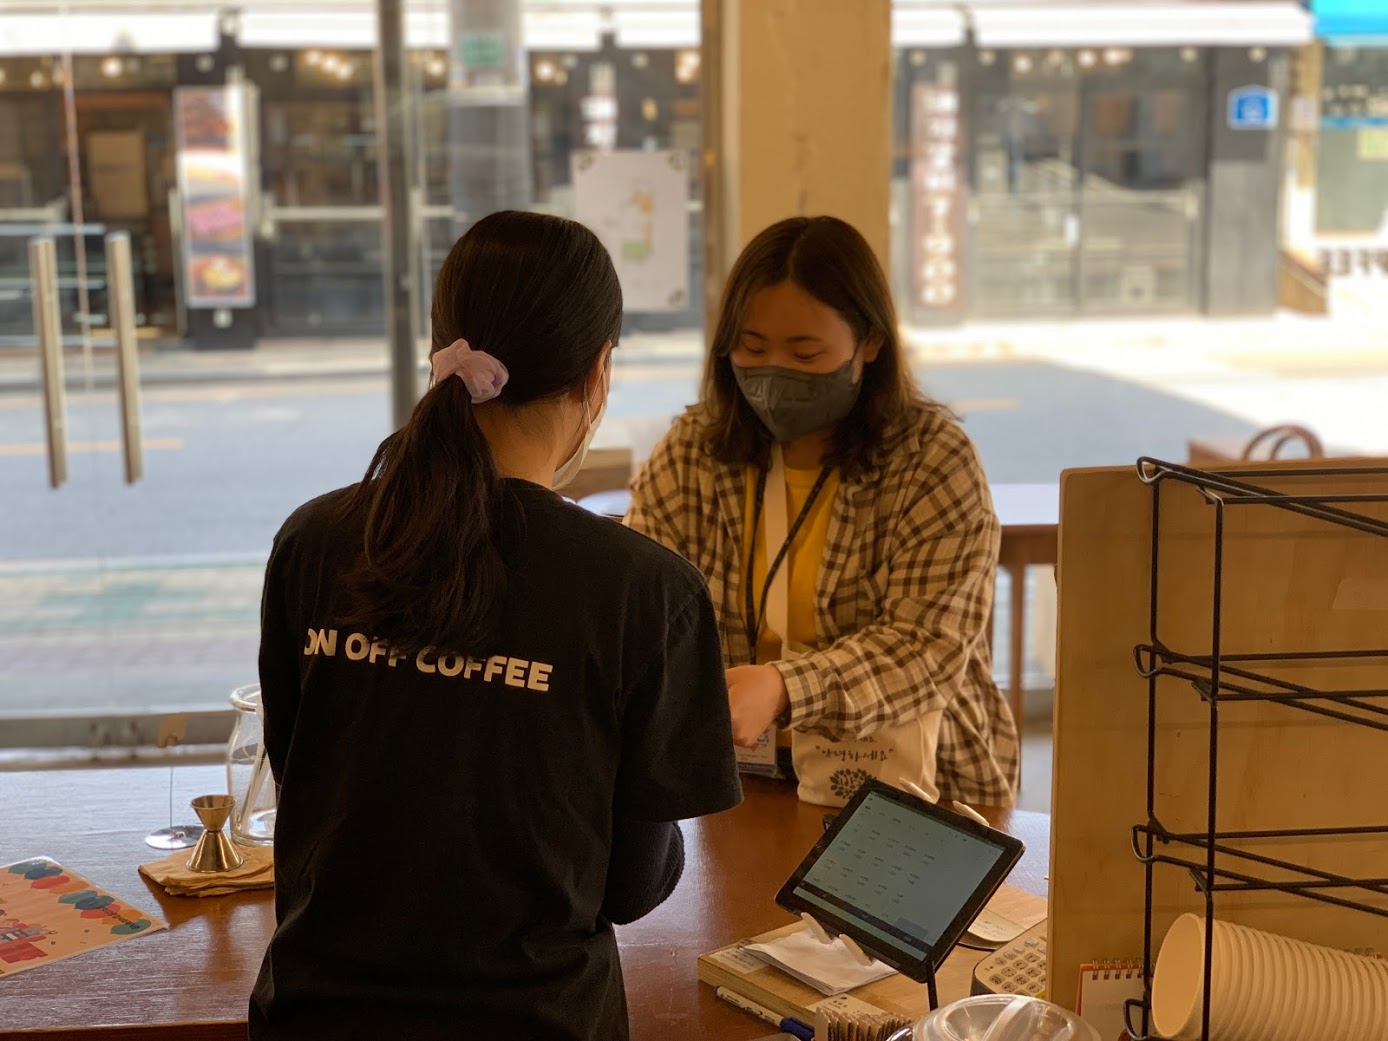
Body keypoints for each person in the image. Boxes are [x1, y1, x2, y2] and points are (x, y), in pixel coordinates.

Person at [250, 211, 742, 1041]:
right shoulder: (643, 590)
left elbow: (302, 780)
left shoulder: (314, 541)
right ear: (597, 372)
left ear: (440, 349)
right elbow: (632, 885)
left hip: (315, 1016)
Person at [626, 215, 1017, 809]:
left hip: (913, 789)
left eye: (805, 352)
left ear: (870, 344)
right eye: (752, 347)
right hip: (737, 780)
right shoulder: (692, 453)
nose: (774, 372)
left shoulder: (932, 460)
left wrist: (785, 688)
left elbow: (926, 648)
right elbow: (646, 610)